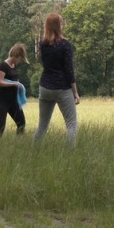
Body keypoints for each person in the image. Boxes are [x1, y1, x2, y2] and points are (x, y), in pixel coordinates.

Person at [33, 13, 80, 147]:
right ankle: (71, 154)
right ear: (58, 25)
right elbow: (69, 70)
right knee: (71, 124)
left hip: (45, 87)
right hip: (62, 87)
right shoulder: (65, 45)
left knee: (42, 126)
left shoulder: (43, 44)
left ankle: (33, 153)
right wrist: (75, 92)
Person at [0, 43, 29, 137]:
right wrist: (13, 83)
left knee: (21, 123)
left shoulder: (14, 66)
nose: (20, 61)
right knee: (0, 126)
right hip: (2, 100)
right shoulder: (2, 66)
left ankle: (20, 142)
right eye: (20, 59)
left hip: (13, 100)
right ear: (16, 56)